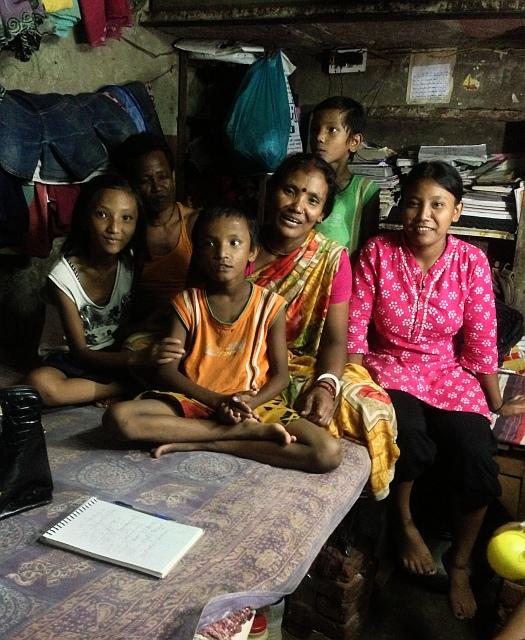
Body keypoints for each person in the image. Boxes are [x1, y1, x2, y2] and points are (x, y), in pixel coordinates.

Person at [124, 153, 398, 492]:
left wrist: (326, 385)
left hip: (290, 365)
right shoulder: (233, 238)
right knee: (139, 349)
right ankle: (233, 429)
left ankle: (209, 438)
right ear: (270, 191)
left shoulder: (330, 260)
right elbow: (197, 307)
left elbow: (334, 342)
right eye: (290, 191)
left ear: (323, 213)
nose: (298, 206)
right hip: (214, 355)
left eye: (312, 200)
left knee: (368, 406)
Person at [347, 160, 525, 620]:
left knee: (475, 454)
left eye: (437, 205)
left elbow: (482, 342)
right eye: (413, 203)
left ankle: (460, 562)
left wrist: (496, 402)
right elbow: (355, 331)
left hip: (448, 372)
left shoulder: (471, 261)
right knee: (409, 437)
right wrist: (350, 384)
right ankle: (405, 524)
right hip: (388, 367)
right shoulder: (377, 252)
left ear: (457, 211)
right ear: (400, 208)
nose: (423, 215)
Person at [104, 205, 342, 472]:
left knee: (327, 452)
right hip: (196, 401)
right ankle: (239, 433)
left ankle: (209, 441)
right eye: (210, 244)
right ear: (198, 251)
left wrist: (248, 403)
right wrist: (217, 402)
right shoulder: (186, 303)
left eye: (234, 243)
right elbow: (167, 372)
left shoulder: (270, 305)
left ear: (252, 251)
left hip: (253, 404)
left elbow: (281, 377)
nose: (222, 254)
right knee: (118, 419)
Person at [25, 174, 156, 407]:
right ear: (86, 217)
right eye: (102, 214)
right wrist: (135, 360)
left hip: (113, 350)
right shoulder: (62, 277)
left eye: (127, 218)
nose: (114, 228)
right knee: (40, 385)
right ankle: (122, 388)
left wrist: (147, 328)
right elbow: (80, 352)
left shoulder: (129, 263)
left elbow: (119, 326)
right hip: (69, 359)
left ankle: (102, 388)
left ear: (137, 224)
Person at [111, 132, 199, 331]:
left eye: (163, 177)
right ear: (132, 185)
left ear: (173, 177)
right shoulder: (125, 232)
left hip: (192, 325)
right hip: (143, 330)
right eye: (145, 181)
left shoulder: (195, 224)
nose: (157, 187)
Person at [310, 96, 380, 260]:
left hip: (343, 277)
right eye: (315, 129)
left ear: (354, 141)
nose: (319, 137)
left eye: (331, 130)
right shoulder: (303, 183)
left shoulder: (365, 191)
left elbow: (367, 248)